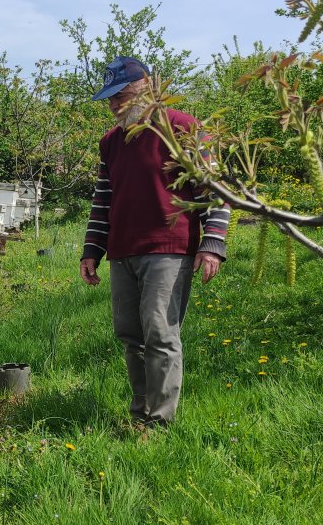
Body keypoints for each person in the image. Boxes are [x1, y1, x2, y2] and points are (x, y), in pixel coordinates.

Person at [78, 56, 229, 429]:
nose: (113, 106)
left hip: (169, 247)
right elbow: (104, 198)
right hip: (123, 249)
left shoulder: (182, 128)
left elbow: (215, 188)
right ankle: (140, 415)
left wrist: (213, 242)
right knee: (131, 336)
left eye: (120, 97)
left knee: (160, 333)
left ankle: (159, 422)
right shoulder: (110, 142)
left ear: (145, 88)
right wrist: (92, 250)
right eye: (110, 100)